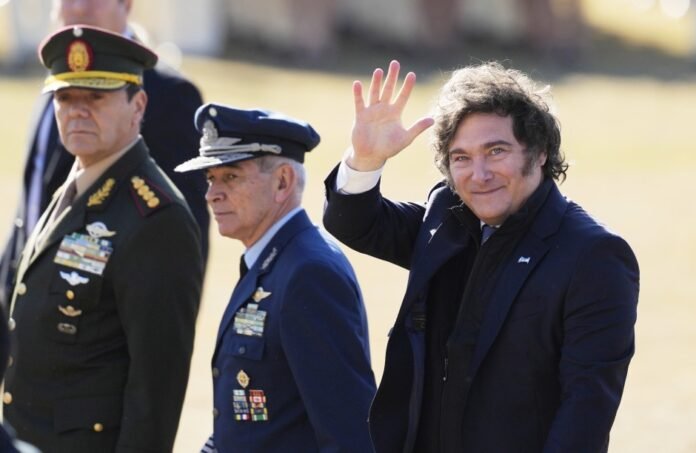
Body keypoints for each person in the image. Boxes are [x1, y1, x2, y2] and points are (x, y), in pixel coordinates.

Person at [323, 60, 640, 452]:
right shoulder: (447, 215)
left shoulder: (594, 256)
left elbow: (584, 415)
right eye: (461, 158)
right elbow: (355, 222)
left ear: (539, 151)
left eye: (496, 151)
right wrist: (366, 160)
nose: (479, 174)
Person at [2, 25, 203, 452]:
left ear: (138, 105)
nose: (77, 111)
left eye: (95, 97)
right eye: (65, 97)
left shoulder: (156, 219)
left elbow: (154, 396)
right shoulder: (72, 188)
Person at [175, 103, 376, 452]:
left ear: (283, 181)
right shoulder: (274, 259)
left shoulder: (309, 274)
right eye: (210, 178)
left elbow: (349, 432)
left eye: (231, 177)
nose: (211, 194)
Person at [0, 0, 209, 309]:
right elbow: (30, 210)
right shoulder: (54, 83)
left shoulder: (169, 94)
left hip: (94, 322)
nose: (78, 8)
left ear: (127, 4)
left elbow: (181, 245)